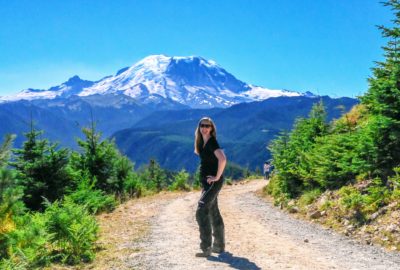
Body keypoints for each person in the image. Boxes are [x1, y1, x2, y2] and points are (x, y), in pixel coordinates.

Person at [194, 117, 227, 257]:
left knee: (201, 210)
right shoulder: (202, 142)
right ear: (199, 127)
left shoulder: (212, 142)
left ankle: (206, 247)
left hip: (213, 183)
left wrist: (217, 177)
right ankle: (219, 245)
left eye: (207, 126)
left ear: (212, 128)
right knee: (213, 211)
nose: (204, 128)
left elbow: (223, 159)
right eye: (202, 125)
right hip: (207, 183)